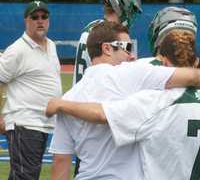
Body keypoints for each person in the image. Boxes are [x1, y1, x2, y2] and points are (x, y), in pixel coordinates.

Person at [46, 18, 200, 180]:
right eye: (127, 48)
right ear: (107, 49)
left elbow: (61, 161)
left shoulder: (69, 97)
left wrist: (62, 105)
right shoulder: (133, 73)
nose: (132, 56)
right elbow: (192, 76)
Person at [72, 0, 141, 173]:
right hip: (101, 114)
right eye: (132, 8)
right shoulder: (109, 35)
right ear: (121, 4)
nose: (133, 14)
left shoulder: (92, 30)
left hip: (85, 111)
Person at [0, 1, 62, 180]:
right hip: (24, 123)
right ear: (26, 21)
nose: (40, 21)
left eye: (44, 17)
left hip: (43, 123)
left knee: (23, 175)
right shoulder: (17, 50)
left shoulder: (51, 45)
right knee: (25, 176)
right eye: (34, 17)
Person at [73, 0, 142, 84]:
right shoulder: (106, 36)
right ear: (121, 7)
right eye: (131, 10)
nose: (131, 16)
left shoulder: (95, 29)